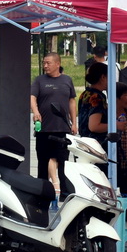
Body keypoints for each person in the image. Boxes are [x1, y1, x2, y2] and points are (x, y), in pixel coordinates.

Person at [30, 53, 77, 196]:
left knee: (63, 162)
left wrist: (74, 123)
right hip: (44, 129)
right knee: (43, 162)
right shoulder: (39, 80)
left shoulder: (67, 80)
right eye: (44, 63)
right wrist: (35, 112)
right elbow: (32, 97)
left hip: (62, 128)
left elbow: (72, 101)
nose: (45, 66)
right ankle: (42, 192)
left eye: (48, 63)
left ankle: (64, 192)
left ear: (58, 64)